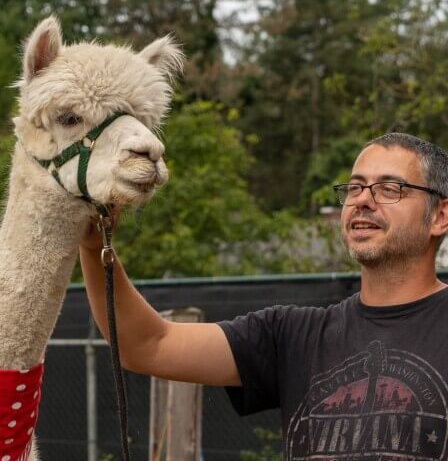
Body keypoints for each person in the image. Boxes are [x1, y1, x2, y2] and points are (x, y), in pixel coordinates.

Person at [80, 132, 448, 459]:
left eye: (389, 189)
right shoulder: (292, 335)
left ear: (440, 216)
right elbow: (145, 344)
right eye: (354, 187)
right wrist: (93, 242)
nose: (363, 201)